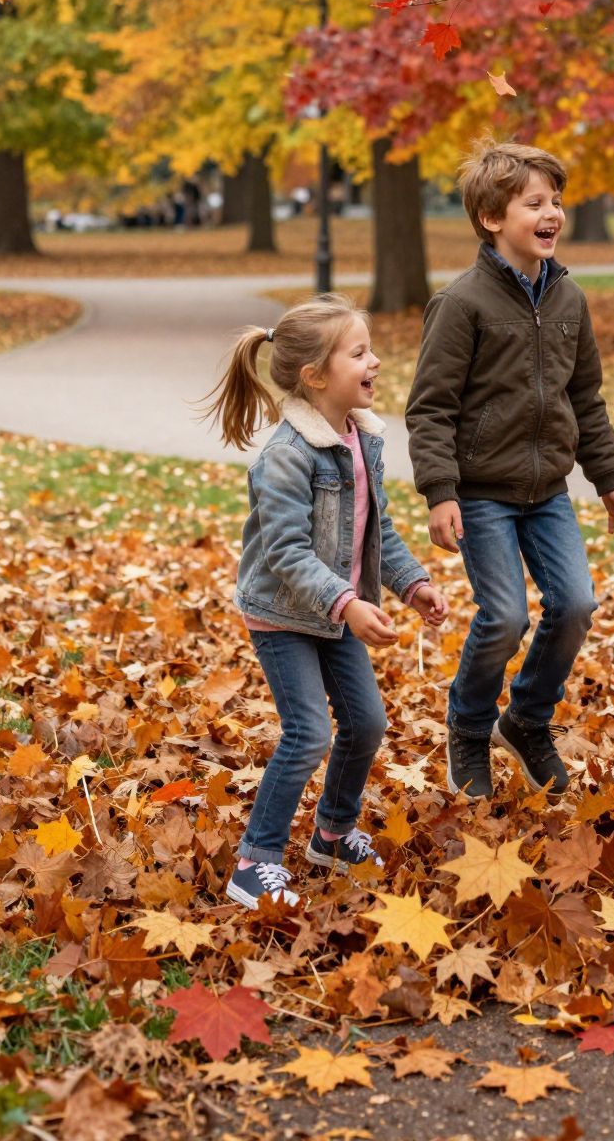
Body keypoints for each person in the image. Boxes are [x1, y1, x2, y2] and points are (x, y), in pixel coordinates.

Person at [406, 141, 614, 801]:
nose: (552, 213)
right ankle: (470, 728)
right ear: (490, 217)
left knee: (575, 604)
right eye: (534, 203)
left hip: (547, 493)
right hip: (481, 494)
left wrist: (610, 480)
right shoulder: (461, 304)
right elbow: (430, 407)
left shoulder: (568, 299)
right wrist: (440, 492)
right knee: (504, 617)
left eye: (556, 202)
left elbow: (585, 398)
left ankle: (527, 720)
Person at [204, 293, 448, 910]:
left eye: (371, 350)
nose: (376, 362)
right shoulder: (287, 457)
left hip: (336, 610)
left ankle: (333, 834)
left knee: (366, 723)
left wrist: (412, 583)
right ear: (314, 376)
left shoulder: (361, 440)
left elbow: (375, 531)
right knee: (309, 732)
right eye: (359, 353)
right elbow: (286, 554)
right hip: (285, 615)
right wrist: (346, 603)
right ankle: (254, 861)